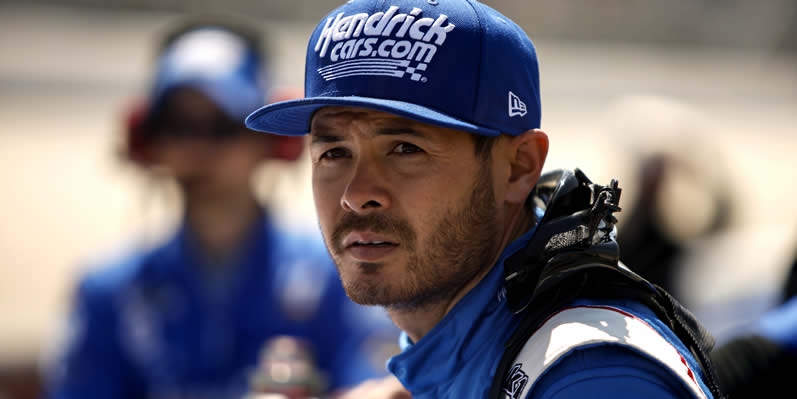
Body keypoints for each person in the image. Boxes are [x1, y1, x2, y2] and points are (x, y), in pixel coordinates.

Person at [244, 1, 724, 398]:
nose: (356, 195)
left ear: (517, 167)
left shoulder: (591, 377)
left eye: (405, 149)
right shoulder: (456, 344)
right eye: (333, 152)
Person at [45, 19, 397, 399]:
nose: (198, 148)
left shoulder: (340, 275)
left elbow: (372, 386)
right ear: (147, 143)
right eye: (178, 126)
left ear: (272, 140)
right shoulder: (108, 292)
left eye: (222, 127)